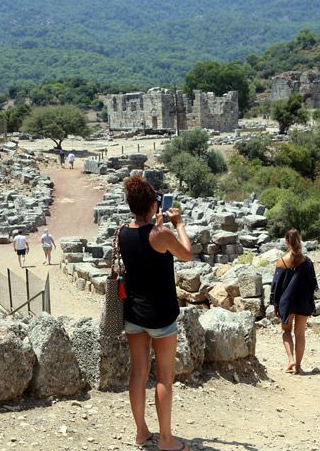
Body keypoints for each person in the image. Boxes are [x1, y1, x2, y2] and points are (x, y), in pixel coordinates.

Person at [118, 174, 193, 451]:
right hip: (160, 315)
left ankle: (141, 432)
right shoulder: (161, 233)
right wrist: (179, 223)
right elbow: (186, 253)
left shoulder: (122, 231)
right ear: (153, 204)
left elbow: (143, 245)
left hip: (133, 314)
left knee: (138, 372)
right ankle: (166, 439)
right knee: (164, 377)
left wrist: (158, 226)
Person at [269, 229, 317, 375]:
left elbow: (275, 286)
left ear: (286, 242)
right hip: (303, 302)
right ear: (299, 241)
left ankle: (291, 359)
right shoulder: (307, 262)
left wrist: (275, 304)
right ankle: (298, 366)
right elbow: (313, 284)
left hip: (287, 302)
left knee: (286, 331)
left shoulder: (282, 262)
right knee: (300, 334)